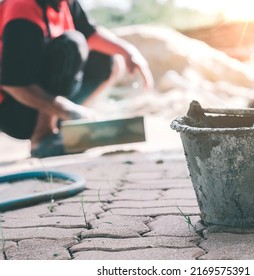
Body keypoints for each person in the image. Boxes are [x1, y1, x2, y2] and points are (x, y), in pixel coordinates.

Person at [0, 0, 154, 158]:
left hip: (41, 99)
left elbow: (90, 34)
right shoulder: (21, 9)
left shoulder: (66, 2)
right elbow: (15, 84)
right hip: (13, 110)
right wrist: (68, 110)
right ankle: (43, 139)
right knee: (70, 45)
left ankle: (66, 127)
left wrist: (129, 51)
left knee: (108, 60)